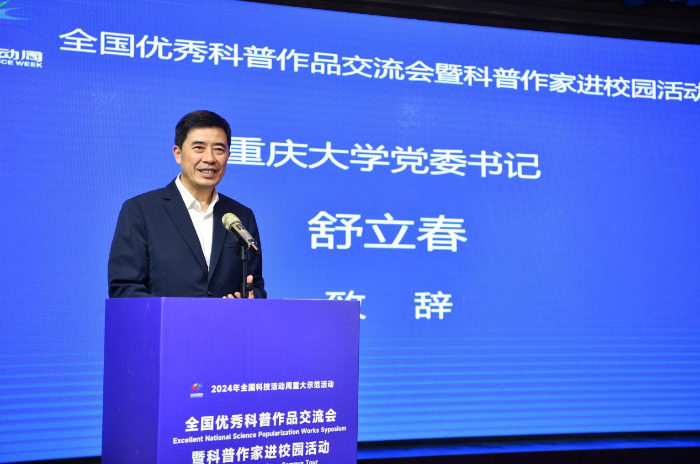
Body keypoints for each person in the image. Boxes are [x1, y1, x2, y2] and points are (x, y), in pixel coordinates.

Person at [108, 110, 265, 299]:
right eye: (199, 148)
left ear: (228, 156)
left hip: (228, 320)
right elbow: (125, 288)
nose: (209, 158)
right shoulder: (141, 210)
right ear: (178, 154)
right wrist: (173, 313)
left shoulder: (241, 216)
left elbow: (256, 285)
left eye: (219, 149)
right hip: (165, 320)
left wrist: (250, 298)